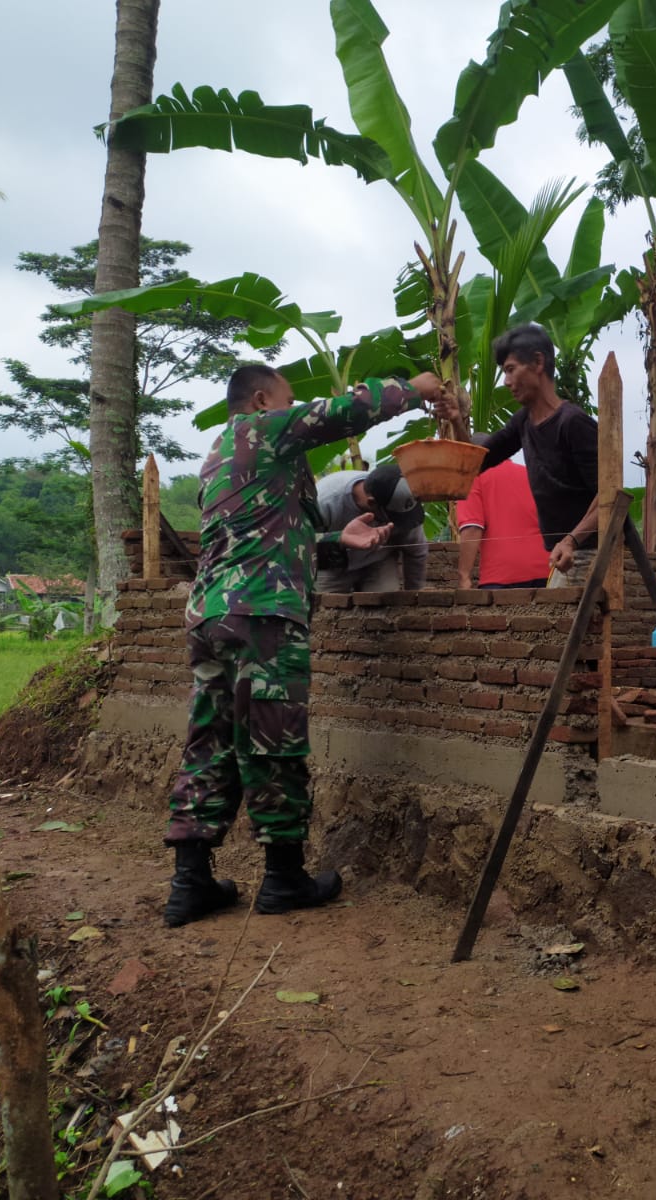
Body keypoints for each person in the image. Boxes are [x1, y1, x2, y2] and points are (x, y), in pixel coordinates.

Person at [163, 363, 442, 927]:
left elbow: (266, 539)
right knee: (275, 745)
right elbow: (342, 413)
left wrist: (338, 540)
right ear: (263, 401)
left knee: (210, 745)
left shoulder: (220, 455)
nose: (295, 409)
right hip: (262, 615)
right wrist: (417, 390)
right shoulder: (262, 430)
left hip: (211, 615)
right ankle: (283, 878)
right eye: (289, 400)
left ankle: (190, 884)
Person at [428, 324, 600, 585]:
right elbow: (476, 463)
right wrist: (456, 420)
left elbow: (608, 496)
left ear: (538, 362)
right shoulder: (524, 421)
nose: (507, 382)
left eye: (510, 369)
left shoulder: (572, 423)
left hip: (589, 552)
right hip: (562, 555)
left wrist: (571, 540)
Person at [314, 462, 428, 593]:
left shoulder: (403, 502)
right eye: (393, 518)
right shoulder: (325, 502)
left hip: (379, 561)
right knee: (325, 608)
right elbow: (300, 542)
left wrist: (414, 596)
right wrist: (339, 539)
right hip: (331, 564)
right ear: (372, 503)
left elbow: (416, 551)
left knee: (386, 604)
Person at [454, 458, 550, 590]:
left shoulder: (472, 478)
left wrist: (464, 576)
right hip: (545, 571)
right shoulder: (530, 474)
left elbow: (472, 528)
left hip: (502, 576)